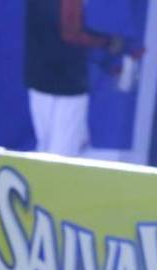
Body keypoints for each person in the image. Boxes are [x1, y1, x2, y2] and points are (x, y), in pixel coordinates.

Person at [26, 0, 127, 156]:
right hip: (67, 83)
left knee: (47, 149)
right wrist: (108, 42)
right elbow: (70, 33)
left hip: (40, 77)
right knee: (60, 156)